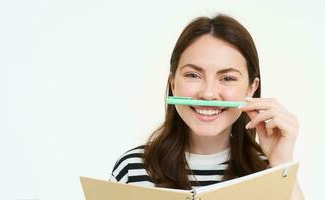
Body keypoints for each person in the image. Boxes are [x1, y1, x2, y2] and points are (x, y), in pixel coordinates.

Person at [109, 14, 304, 199]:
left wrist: (282, 164)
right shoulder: (132, 168)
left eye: (227, 78)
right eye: (193, 75)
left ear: (251, 89)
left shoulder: (270, 174)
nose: (208, 94)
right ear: (173, 83)